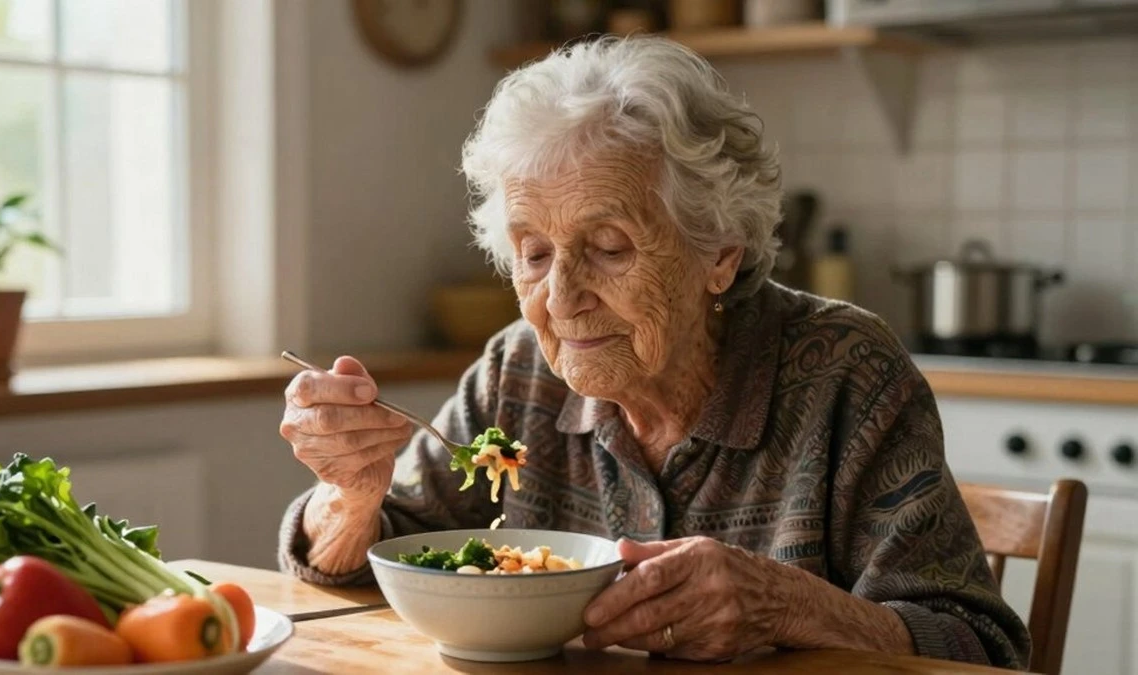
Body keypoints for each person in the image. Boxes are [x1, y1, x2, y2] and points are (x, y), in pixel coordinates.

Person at [277, 35, 1029, 668]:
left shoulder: (846, 373)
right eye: (533, 254)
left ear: (720, 253)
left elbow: (983, 649)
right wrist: (352, 494)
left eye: (608, 248)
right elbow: (374, 560)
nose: (562, 298)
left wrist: (784, 606)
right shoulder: (521, 368)